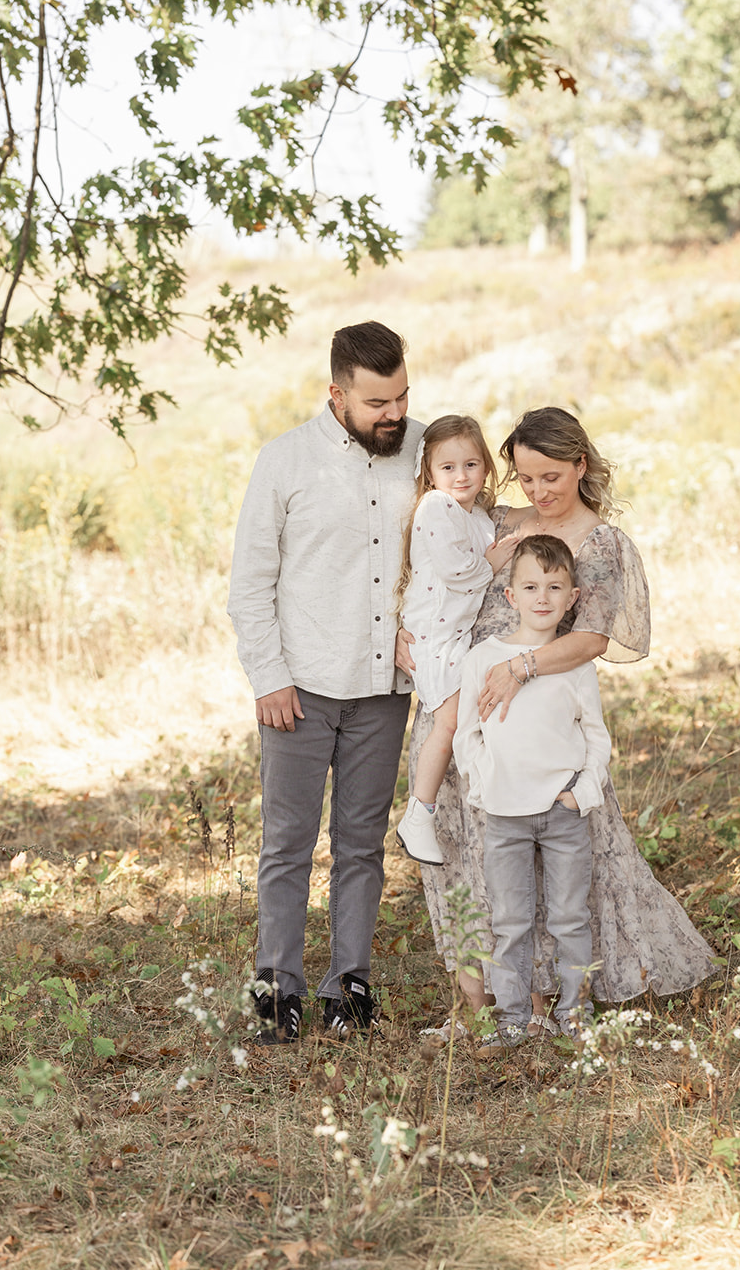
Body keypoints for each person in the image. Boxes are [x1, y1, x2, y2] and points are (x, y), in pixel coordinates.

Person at [403, 406, 716, 1026]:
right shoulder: (486, 517)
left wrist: (520, 668)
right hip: (461, 712)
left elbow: (592, 638)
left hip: (540, 722)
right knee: (467, 858)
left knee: (557, 865)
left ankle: (548, 995)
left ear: (580, 464)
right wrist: (402, 640)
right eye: (525, 478)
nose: (538, 492)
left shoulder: (599, 544)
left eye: (552, 477)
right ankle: (478, 1001)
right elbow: (431, 576)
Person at [228, 320, 423, 1043]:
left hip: (383, 690)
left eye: (401, 396)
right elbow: (251, 584)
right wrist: (268, 677)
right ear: (336, 393)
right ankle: (276, 988)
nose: (393, 414)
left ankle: (349, 986)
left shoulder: (428, 452)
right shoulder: (283, 461)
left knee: (361, 844)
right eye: (377, 403)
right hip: (300, 688)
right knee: (286, 843)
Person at [454, 535, 612, 1046]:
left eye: (553, 587)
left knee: (569, 916)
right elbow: (466, 736)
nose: (542, 597)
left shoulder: (572, 663)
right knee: (510, 921)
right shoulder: (484, 659)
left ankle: (572, 1013)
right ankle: (513, 1017)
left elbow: (595, 736)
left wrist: (581, 792)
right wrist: (484, 785)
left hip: (563, 810)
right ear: (510, 596)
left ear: (572, 597)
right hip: (503, 814)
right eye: (530, 586)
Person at [394, 416, 520, 866]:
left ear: (485, 467)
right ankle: (418, 816)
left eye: (471, 464)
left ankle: (484, 791)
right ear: (430, 471)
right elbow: (459, 572)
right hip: (433, 634)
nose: (461, 476)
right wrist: (492, 561)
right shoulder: (436, 508)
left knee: (471, 717)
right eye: (448, 467)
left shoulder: (480, 517)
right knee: (448, 722)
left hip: (458, 636)